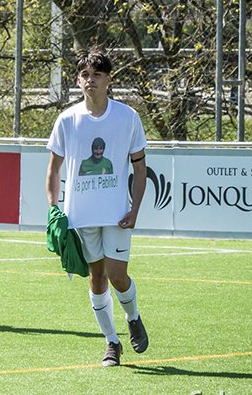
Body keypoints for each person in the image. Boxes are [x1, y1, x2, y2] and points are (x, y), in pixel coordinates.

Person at [45, 48, 148, 366]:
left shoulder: (127, 117)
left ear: (109, 80)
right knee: (96, 279)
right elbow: (53, 170)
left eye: (97, 75)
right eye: (85, 75)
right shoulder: (67, 120)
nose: (91, 80)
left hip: (117, 214)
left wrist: (136, 208)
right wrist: (53, 209)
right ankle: (112, 344)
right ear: (79, 80)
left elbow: (140, 168)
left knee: (118, 276)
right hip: (81, 216)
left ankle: (133, 316)